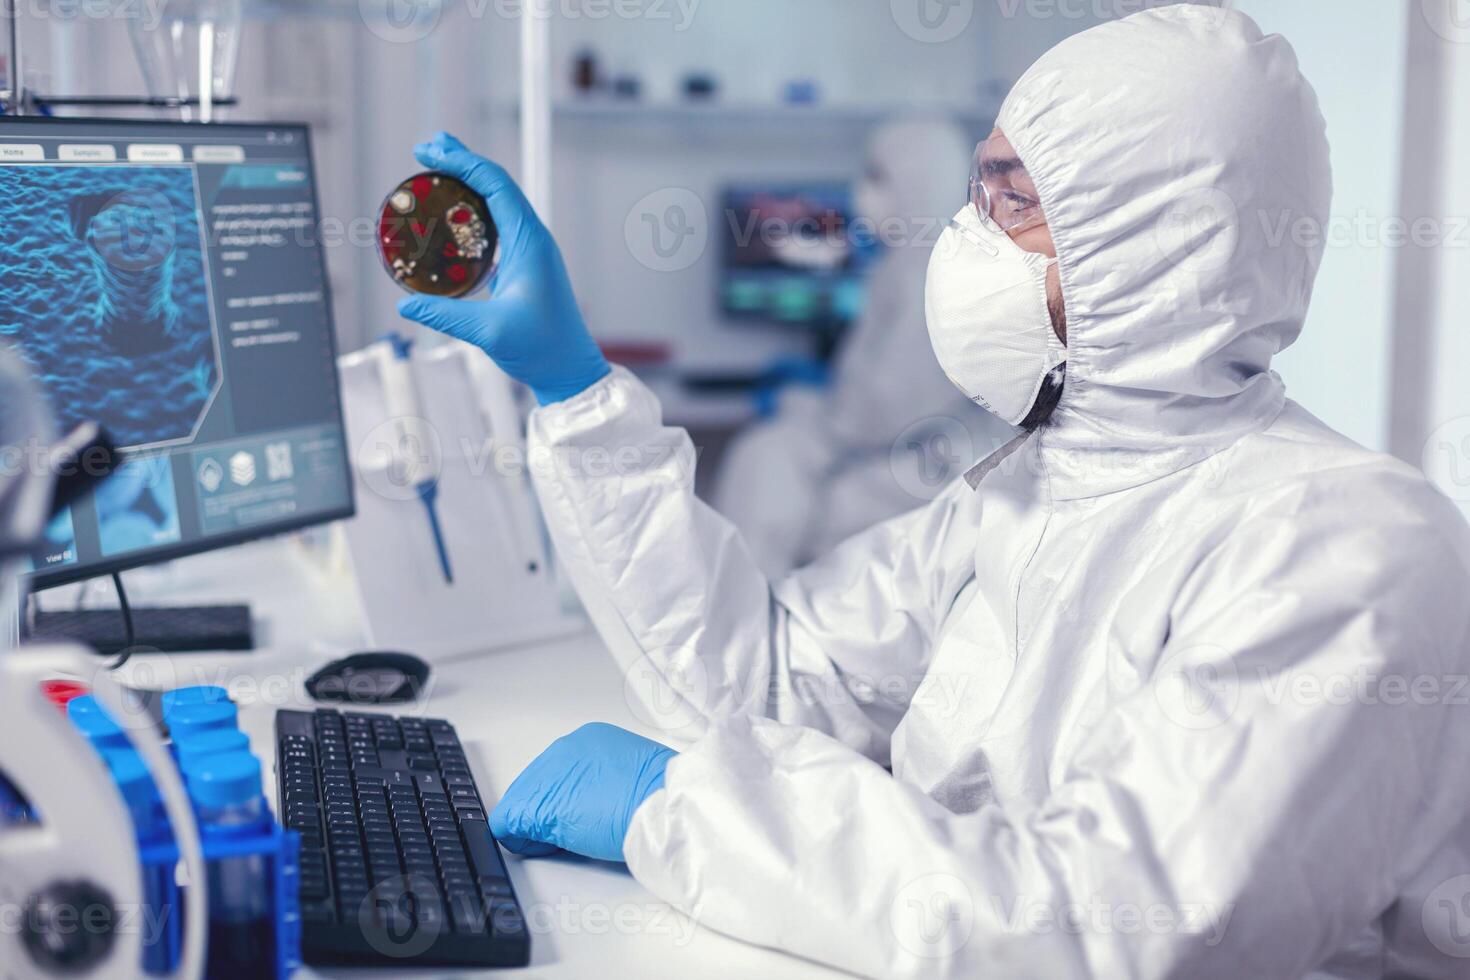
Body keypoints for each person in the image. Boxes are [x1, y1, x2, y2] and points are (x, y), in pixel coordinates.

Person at [397, 7, 1470, 978]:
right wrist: (574, 386)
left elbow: (1108, 930)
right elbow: (766, 681)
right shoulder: (1026, 491)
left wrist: (678, 810)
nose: (967, 238)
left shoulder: (1349, 547)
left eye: (1013, 202)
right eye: (976, 192)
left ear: (1158, 245)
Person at [712, 117, 1012, 578]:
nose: (863, 194)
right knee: (772, 462)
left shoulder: (934, 271)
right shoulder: (906, 264)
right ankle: (751, 607)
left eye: (877, 177)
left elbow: (884, 409)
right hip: (898, 446)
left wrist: (808, 409)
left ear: (917, 178)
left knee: (767, 463)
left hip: (926, 457)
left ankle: (749, 614)